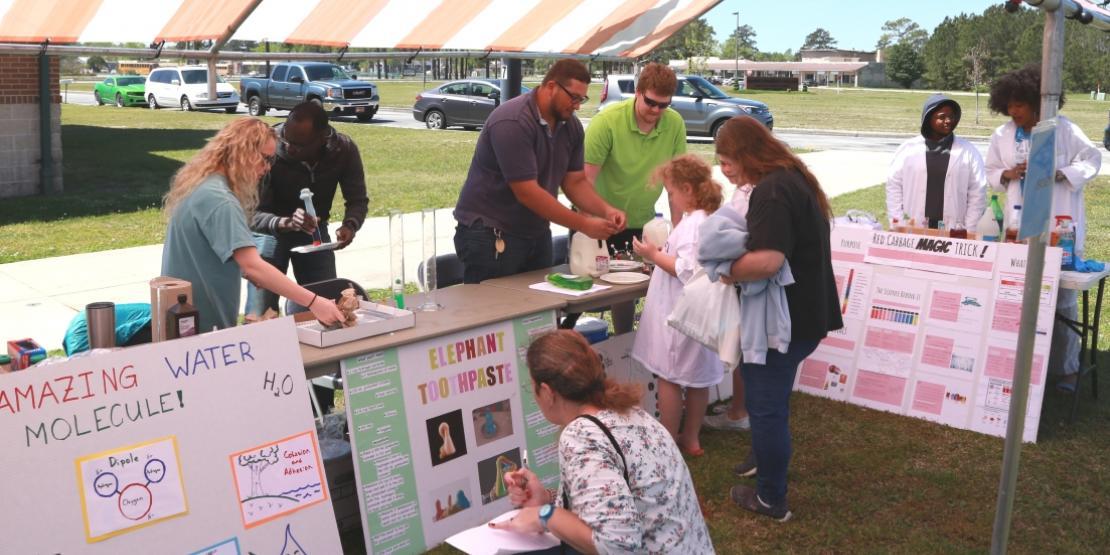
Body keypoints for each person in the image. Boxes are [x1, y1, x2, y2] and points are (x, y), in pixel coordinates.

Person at [716, 116, 843, 522]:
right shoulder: (791, 177)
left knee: (766, 407)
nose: (723, 168)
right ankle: (762, 455)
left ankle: (771, 498)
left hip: (783, 322)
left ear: (746, 153)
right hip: (807, 314)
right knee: (771, 402)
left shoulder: (771, 191)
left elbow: (768, 261)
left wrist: (725, 269)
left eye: (727, 159)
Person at [491, 330, 713, 554]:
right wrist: (547, 498)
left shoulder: (581, 435)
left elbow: (616, 545)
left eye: (533, 388)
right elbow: (613, 500)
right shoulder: (627, 412)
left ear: (548, 392)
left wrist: (545, 515)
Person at [161, 117, 343, 332]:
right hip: (200, 330)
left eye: (271, 161)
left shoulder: (202, 185)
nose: (267, 168)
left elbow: (214, 253)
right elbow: (252, 266)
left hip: (183, 322)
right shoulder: (220, 200)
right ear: (241, 153)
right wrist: (315, 303)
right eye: (264, 159)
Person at [453, 59, 625, 284]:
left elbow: (575, 182)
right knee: (492, 314)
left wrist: (606, 210)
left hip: (536, 233)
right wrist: (583, 224)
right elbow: (527, 192)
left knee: (541, 312)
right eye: (573, 97)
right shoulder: (512, 121)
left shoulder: (570, 127)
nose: (577, 106)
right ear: (551, 86)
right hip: (490, 234)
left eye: (582, 99)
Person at [984, 65, 1102, 393]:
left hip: (1059, 225)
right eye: (1008, 104)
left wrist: (1061, 172)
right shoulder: (1002, 135)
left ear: (1038, 103)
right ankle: (1019, 364)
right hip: (1020, 225)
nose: (1013, 111)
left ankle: (1066, 369)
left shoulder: (1064, 130)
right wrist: (1009, 173)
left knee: (1062, 299)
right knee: (1017, 296)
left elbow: (1092, 159)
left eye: (1019, 104)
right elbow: (991, 170)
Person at [573, 62, 687, 332]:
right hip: (598, 222)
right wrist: (589, 226)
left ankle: (627, 344)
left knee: (634, 292)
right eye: (651, 103)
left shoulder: (674, 124)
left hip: (641, 223)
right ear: (637, 92)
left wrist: (681, 232)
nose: (656, 111)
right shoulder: (607, 122)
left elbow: (676, 185)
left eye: (664, 105)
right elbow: (583, 181)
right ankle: (574, 341)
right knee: (588, 292)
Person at [628, 155, 724, 456]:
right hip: (698, 315)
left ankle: (670, 439)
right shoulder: (707, 219)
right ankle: (691, 437)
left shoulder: (694, 225)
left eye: (671, 193)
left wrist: (653, 254)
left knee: (670, 377)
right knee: (696, 378)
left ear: (687, 190)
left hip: (680, 315)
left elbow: (687, 268)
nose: (670, 199)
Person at [245, 101, 368, 318]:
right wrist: (284, 222)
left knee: (327, 303)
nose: (290, 147)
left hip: (314, 233)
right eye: (287, 140)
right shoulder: (269, 149)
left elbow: (357, 199)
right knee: (261, 312)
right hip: (270, 231)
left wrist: (350, 225)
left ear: (322, 138)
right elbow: (250, 213)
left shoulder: (343, 150)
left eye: (299, 145)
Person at [886, 94, 986, 231]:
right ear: (928, 118)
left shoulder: (968, 151)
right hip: (913, 227)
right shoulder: (908, 149)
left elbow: (977, 192)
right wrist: (897, 222)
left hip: (954, 230)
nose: (948, 121)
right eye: (942, 117)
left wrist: (969, 228)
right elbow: (894, 186)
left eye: (951, 116)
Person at [703, 182, 755, 433]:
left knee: (743, 346)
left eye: (727, 162)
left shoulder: (753, 191)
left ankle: (739, 412)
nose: (725, 170)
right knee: (742, 345)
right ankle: (740, 404)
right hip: (746, 278)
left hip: (748, 280)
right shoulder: (751, 188)